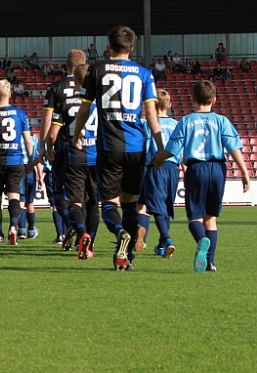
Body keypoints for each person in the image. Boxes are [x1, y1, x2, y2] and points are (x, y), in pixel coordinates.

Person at [72, 25, 163, 271]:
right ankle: (126, 257)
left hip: (109, 147)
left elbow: (84, 109)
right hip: (136, 147)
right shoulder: (145, 73)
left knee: (109, 204)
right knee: (130, 204)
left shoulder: (96, 69)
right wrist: (161, 147)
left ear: (108, 47)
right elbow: (151, 115)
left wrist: (77, 134)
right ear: (131, 48)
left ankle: (120, 232)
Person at [152, 80, 251, 272]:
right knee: (211, 218)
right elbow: (233, 147)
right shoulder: (222, 121)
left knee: (195, 218)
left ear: (193, 99)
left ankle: (201, 239)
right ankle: (210, 262)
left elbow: (172, 149)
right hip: (218, 168)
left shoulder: (186, 121)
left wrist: (158, 159)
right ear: (214, 100)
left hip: (196, 169)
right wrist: (245, 172)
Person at [38, 49, 86, 246]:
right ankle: (82, 232)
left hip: (63, 146)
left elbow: (47, 119)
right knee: (82, 196)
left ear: (66, 66)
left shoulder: (56, 87)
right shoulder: (92, 86)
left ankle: (71, 225)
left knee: (58, 191)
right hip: (89, 148)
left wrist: (44, 146)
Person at [0, 80, 34, 245]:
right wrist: (32, 159)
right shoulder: (20, 114)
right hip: (16, 161)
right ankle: (13, 226)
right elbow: (28, 140)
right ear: (10, 94)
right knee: (14, 196)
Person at [136, 89, 179, 259]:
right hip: (173, 168)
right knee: (166, 206)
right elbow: (180, 149)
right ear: (169, 105)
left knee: (149, 206)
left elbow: (145, 145)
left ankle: (166, 240)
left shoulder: (147, 123)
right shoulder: (176, 124)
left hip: (154, 166)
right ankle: (161, 245)